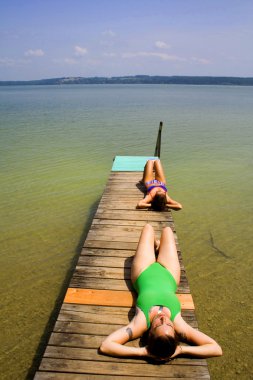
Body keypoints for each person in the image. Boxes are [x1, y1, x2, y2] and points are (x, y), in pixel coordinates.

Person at [100, 224, 222, 361]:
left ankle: (154, 249)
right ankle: (157, 247)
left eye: (158, 324)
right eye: (168, 325)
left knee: (148, 228)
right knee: (167, 230)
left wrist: (143, 352)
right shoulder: (180, 325)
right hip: (169, 273)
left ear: (150, 333)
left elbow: (106, 346)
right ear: (175, 331)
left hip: (142, 270)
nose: (163, 318)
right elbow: (216, 348)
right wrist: (180, 350)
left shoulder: (140, 324)